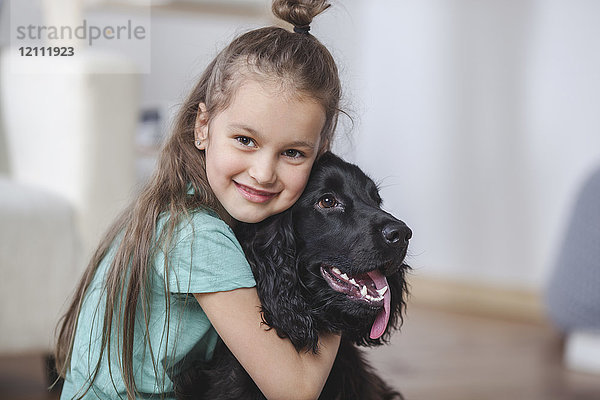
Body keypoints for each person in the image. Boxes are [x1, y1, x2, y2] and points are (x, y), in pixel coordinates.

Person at [54, 1, 343, 399]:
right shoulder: (198, 237)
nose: (263, 172)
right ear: (203, 126)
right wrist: (350, 296)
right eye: (245, 140)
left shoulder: (182, 202)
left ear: (320, 151)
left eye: (293, 152)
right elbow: (295, 389)